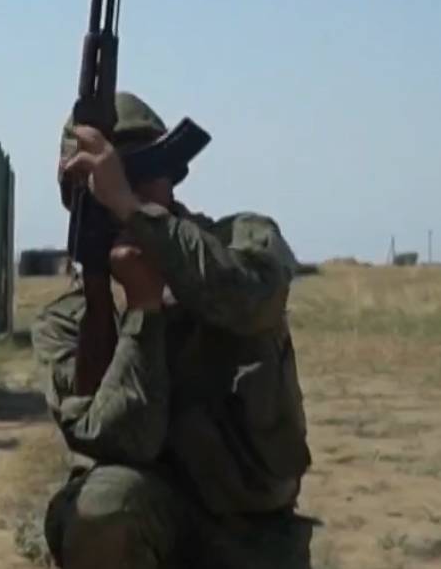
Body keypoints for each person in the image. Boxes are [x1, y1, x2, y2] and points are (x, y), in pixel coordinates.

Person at [33, 91, 314, 568]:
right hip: (144, 512)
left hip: (251, 527)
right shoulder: (70, 320)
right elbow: (119, 441)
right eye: (114, 179)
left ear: (174, 173)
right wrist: (141, 310)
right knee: (101, 510)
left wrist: (136, 216)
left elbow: (251, 298)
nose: (135, 188)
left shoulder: (238, 241)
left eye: (148, 171)